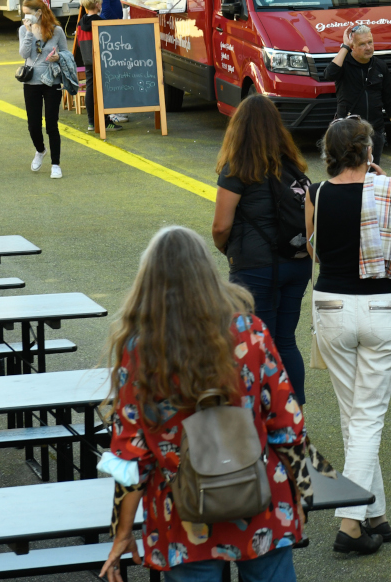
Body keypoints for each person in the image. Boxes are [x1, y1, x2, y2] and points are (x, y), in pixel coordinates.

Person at [97, 226, 304, 582]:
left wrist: (121, 533)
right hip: (259, 495)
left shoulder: (140, 349)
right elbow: (288, 425)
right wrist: (296, 494)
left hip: (182, 510)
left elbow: (131, 456)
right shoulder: (251, 331)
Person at [305, 115, 391, 555]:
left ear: (329, 153)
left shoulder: (317, 192)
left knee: (355, 415)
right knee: (367, 416)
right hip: (383, 305)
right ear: (368, 151)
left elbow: (312, 246)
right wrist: (382, 196)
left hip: (331, 302)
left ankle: (376, 514)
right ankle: (351, 521)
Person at [213, 95, 312, 404]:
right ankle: (292, 415)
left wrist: (227, 250)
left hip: (255, 268)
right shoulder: (294, 167)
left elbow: (220, 227)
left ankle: (259, 417)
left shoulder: (237, 169)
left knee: (254, 342)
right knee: (285, 340)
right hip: (297, 264)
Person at [324, 24, 391, 164]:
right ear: (353, 46)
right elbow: (329, 74)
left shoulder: (380, 66)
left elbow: (389, 102)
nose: (368, 47)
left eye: (370, 42)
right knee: (349, 174)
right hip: (348, 133)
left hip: (375, 132)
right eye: (362, 44)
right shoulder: (343, 64)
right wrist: (344, 46)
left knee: (373, 176)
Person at [17, 0, 74, 180]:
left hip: (52, 82)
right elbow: (24, 54)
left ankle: (55, 164)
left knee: (51, 124)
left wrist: (59, 58)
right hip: (31, 82)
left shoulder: (56, 31)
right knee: (33, 125)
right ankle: (40, 150)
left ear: (39, 12)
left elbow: (67, 53)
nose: (25, 17)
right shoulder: (22, 30)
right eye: (23, 13)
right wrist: (28, 32)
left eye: (28, 14)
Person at [74, 0, 118, 134]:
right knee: (104, 89)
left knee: (90, 88)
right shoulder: (100, 22)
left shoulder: (81, 23)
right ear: (98, 5)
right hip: (101, 59)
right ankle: (105, 121)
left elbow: (79, 43)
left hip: (87, 60)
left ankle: (91, 122)